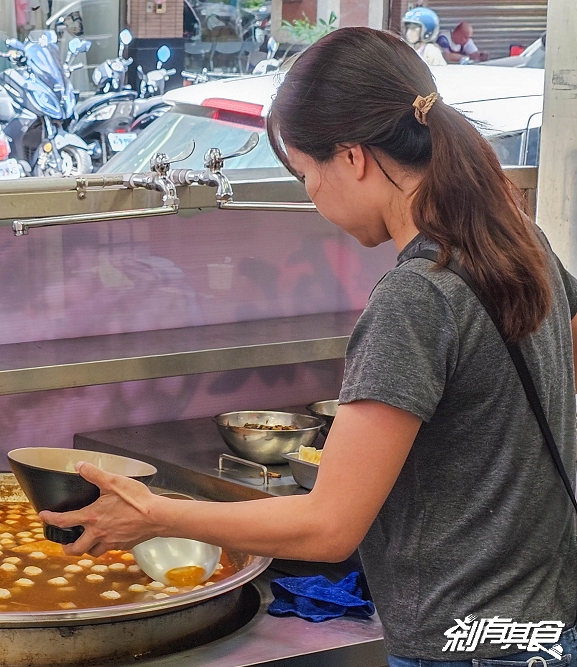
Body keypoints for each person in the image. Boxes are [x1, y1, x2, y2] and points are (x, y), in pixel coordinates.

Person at [40, 26, 577, 667]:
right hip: (543, 624)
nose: (313, 197)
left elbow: (327, 527)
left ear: (352, 157)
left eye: (304, 175)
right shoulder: (520, 243)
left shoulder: (417, 298)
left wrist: (157, 514)